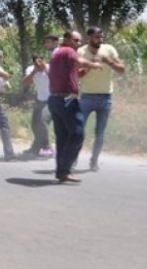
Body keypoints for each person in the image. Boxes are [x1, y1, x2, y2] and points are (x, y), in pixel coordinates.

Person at [47, 30, 103, 183]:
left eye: (79, 41)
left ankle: (61, 171)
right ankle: (65, 169)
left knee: (63, 138)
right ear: (66, 40)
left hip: (55, 100)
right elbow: (79, 62)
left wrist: (89, 68)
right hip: (66, 100)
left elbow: (76, 74)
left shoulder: (60, 54)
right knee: (78, 134)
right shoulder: (67, 51)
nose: (78, 44)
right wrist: (95, 64)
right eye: (75, 40)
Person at [78, 27, 125, 171]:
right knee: (78, 130)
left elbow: (122, 69)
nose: (100, 40)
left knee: (100, 132)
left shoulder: (109, 49)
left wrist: (108, 61)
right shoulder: (81, 52)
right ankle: (72, 160)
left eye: (101, 37)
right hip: (87, 96)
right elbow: (77, 75)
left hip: (105, 97)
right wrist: (90, 65)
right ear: (89, 38)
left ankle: (94, 161)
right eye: (97, 37)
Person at [22, 54, 53, 157]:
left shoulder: (49, 67)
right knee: (34, 125)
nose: (38, 65)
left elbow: (55, 81)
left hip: (51, 99)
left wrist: (44, 68)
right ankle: (36, 148)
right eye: (36, 63)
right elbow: (25, 83)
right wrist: (34, 71)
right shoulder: (31, 69)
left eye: (40, 62)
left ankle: (47, 147)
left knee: (42, 121)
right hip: (40, 99)